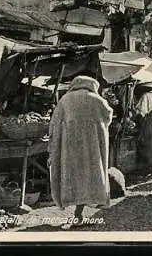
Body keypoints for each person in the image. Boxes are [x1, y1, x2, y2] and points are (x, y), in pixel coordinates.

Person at [48, 76, 113, 228]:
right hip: (92, 149)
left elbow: (54, 123)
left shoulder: (65, 100)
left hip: (70, 148)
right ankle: (79, 213)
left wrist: (53, 145)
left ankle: (77, 213)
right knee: (88, 177)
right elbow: (108, 115)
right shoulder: (98, 100)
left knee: (73, 177)